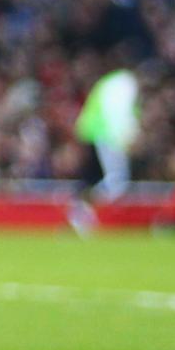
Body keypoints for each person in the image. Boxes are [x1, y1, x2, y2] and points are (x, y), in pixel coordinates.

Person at [66, 67, 139, 236]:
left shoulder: (109, 83)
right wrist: (128, 136)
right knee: (117, 182)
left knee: (100, 178)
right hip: (107, 136)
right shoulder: (125, 84)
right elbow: (119, 113)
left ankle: (81, 212)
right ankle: (81, 210)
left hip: (92, 132)